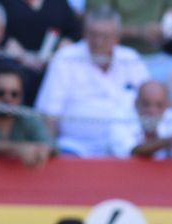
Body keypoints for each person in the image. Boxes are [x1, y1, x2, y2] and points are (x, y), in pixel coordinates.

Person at [35, 9, 151, 157]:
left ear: (117, 38)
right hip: (76, 149)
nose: (98, 42)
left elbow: (152, 101)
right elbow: (49, 114)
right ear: (84, 34)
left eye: (105, 36)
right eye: (93, 35)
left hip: (129, 147)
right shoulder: (65, 58)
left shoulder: (131, 59)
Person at [0, 65, 54, 165]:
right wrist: (18, 149)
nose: (8, 99)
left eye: (14, 94)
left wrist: (44, 149)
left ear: (21, 96)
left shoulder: (27, 115)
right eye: (1, 93)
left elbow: (51, 144)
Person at [113, 79, 172, 157]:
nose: (152, 111)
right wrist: (168, 142)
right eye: (146, 104)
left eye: (159, 105)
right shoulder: (120, 119)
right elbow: (132, 152)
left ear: (167, 105)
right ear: (136, 103)